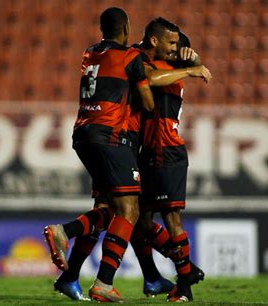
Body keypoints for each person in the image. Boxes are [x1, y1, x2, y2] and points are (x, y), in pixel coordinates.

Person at [43, 7, 154, 303]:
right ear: (126, 28)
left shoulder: (90, 53)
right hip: (110, 136)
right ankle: (101, 280)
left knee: (106, 206)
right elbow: (148, 102)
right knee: (129, 209)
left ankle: (69, 277)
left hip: (83, 133)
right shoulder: (131, 57)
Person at [135, 28, 211, 302]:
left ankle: (185, 288)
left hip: (168, 152)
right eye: (170, 44)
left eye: (176, 46)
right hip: (148, 153)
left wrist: (193, 62)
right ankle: (186, 270)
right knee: (138, 222)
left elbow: (152, 77)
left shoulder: (169, 74)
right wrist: (193, 63)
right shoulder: (160, 65)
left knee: (172, 219)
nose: (171, 48)